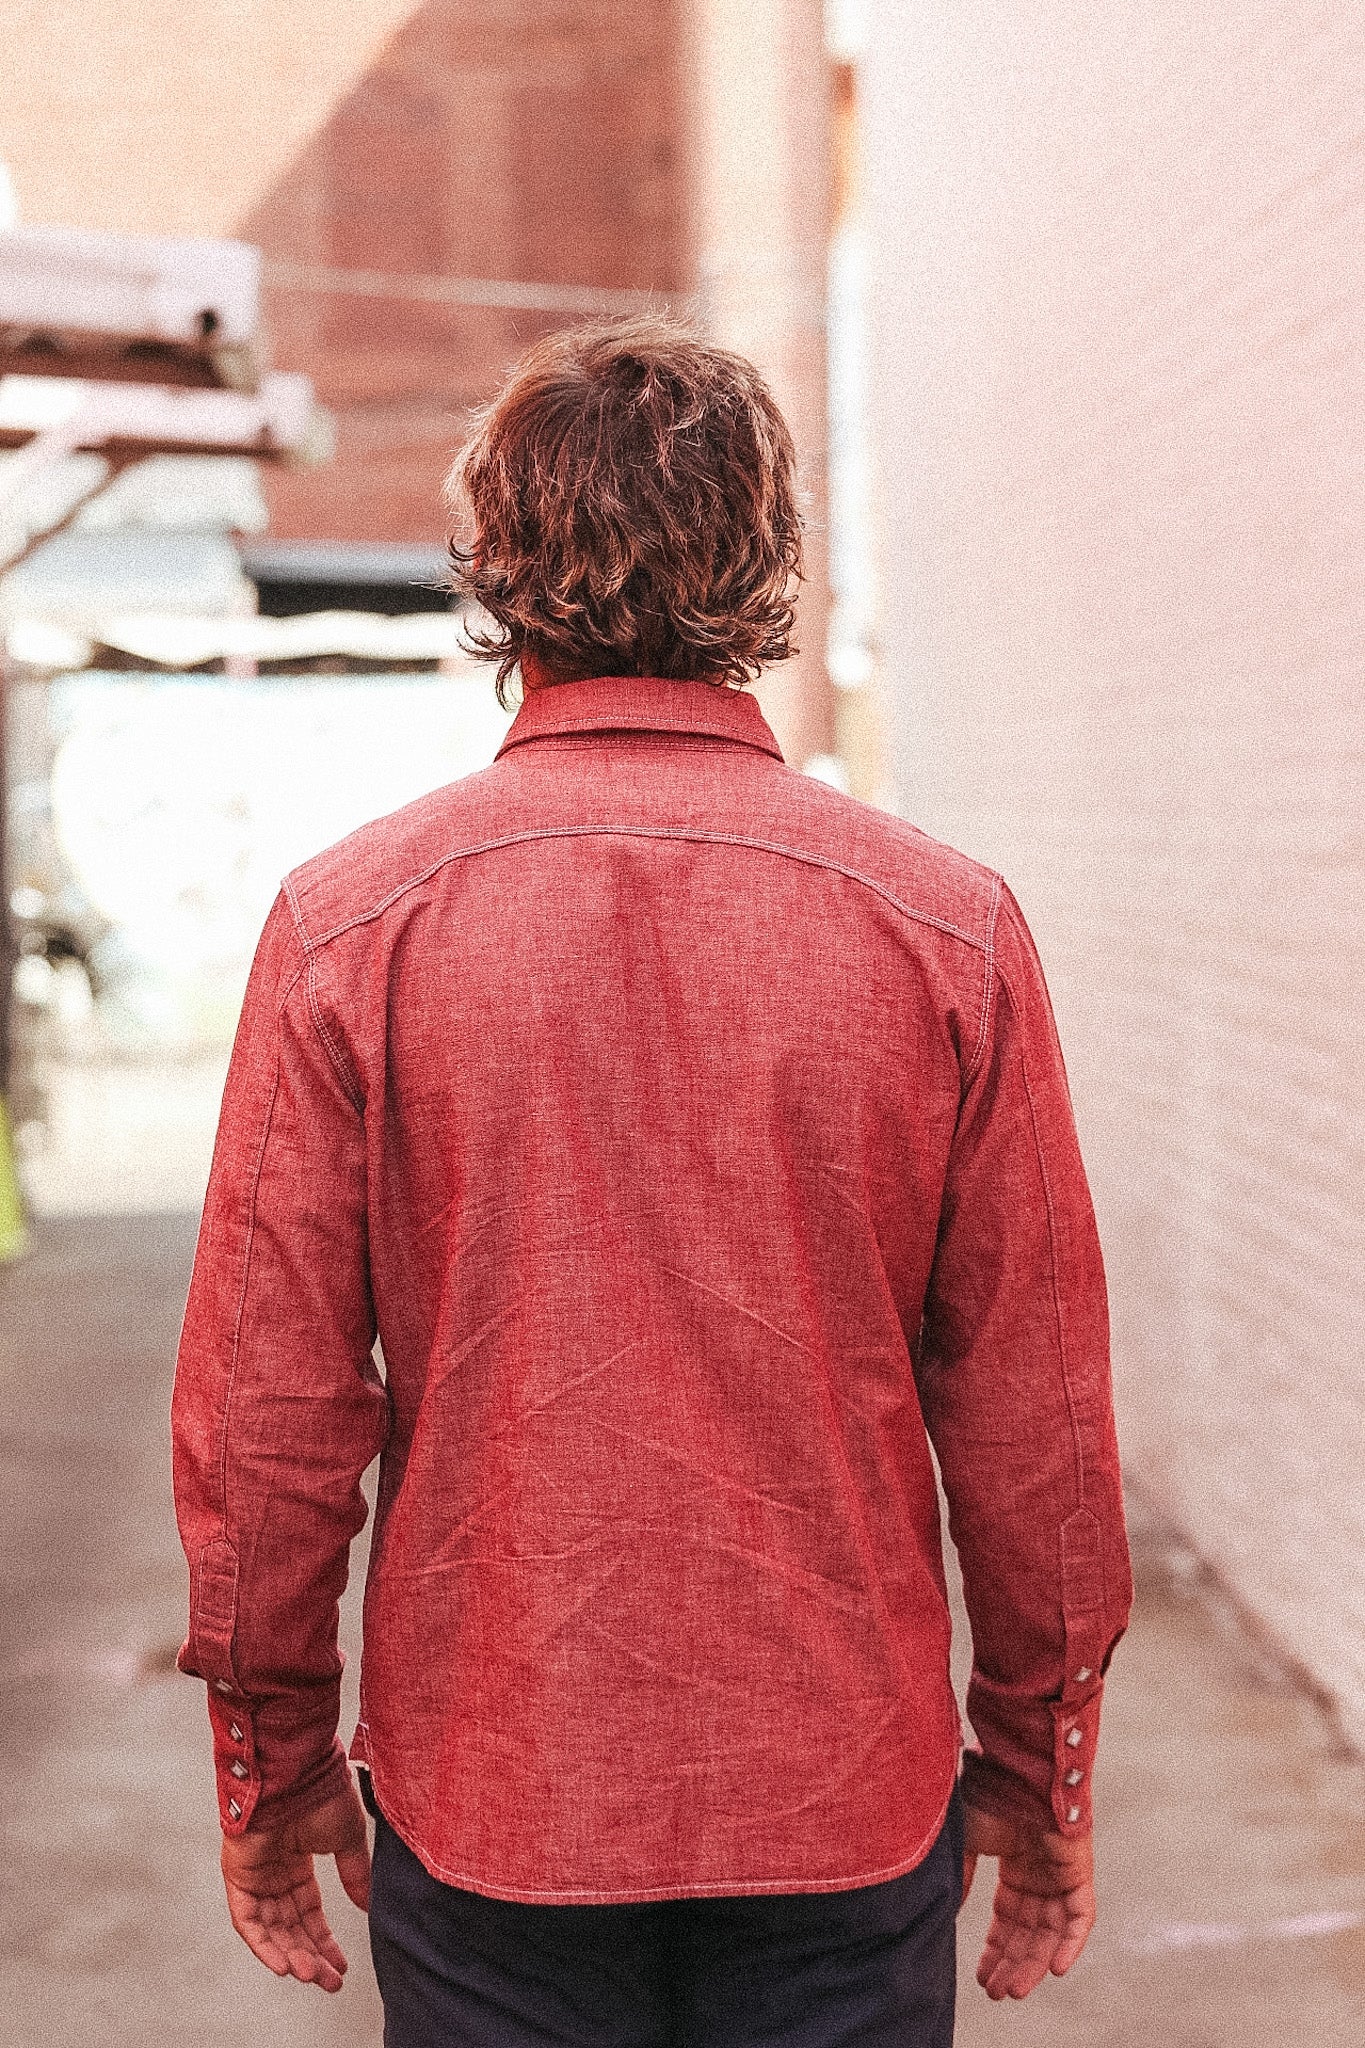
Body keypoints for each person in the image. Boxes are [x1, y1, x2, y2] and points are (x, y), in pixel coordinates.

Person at [172, 319, 1132, 2046]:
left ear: (494, 566)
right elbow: (1035, 1414)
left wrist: (273, 1753)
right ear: (764, 557)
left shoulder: (347, 930)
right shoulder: (942, 928)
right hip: (841, 1789)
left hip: (495, 1793)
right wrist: (1035, 1759)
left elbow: (266, 1415)